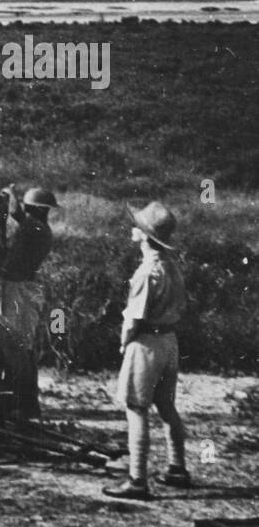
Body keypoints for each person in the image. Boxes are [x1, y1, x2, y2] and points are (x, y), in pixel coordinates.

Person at [103, 202, 189, 501]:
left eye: (137, 225)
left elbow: (134, 318)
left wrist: (125, 341)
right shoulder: (171, 267)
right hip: (169, 342)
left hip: (147, 344)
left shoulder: (146, 272)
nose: (133, 228)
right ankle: (177, 467)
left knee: (136, 408)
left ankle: (137, 480)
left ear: (144, 235)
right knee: (166, 407)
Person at [0, 186, 58, 418]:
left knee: (19, 345)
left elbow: (15, 213)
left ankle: (23, 401)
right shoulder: (37, 228)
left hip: (20, 287)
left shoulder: (35, 228)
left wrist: (10, 194)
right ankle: (22, 399)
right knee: (20, 344)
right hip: (22, 286)